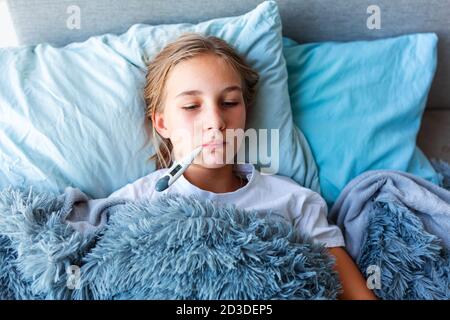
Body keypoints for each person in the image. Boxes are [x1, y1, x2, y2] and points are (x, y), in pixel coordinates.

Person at [109, 32, 377, 300]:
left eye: (229, 103)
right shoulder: (131, 207)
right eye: (192, 106)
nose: (216, 121)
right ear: (162, 123)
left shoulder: (294, 203)